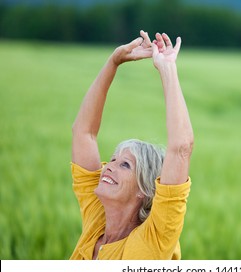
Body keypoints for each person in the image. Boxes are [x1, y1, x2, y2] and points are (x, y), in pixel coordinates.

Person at [69, 31, 194, 260]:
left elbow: (181, 148)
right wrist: (113, 61)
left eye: (125, 165)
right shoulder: (97, 219)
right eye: (114, 159)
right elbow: (83, 133)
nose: (109, 166)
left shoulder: (152, 243)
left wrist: (167, 68)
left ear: (144, 190)